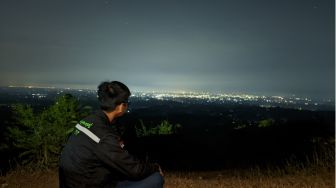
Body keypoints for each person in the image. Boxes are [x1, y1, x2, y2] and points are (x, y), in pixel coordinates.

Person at [59, 81, 164, 188]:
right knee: (155, 179)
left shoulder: (87, 121)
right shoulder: (105, 137)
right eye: (126, 102)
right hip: (92, 184)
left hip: (75, 182)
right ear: (120, 107)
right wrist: (154, 167)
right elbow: (134, 170)